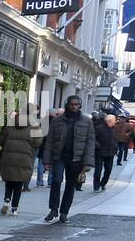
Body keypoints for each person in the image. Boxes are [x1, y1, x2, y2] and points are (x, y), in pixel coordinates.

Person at [41, 96, 95, 224]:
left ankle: (64, 212)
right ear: (67, 105)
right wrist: (47, 161)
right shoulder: (57, 120)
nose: (74, 106)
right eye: (72, 104)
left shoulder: (87, 121)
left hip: (76, 158)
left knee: (70, 185)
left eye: (76, 104)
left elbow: (90, 142)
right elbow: (50, 141)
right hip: (59, 156)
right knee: (56, 181)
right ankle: (53, 209)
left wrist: (88, 162)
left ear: (79, 106)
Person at [0, 112, 41, 216]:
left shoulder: (10, 125)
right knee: (19, 184)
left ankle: (7, 200)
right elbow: (38, 142)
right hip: (25, 158)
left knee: (9, 181)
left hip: (9, 157)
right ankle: (14, 208)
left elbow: (1, 140)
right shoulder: (34, 126)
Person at [92, 112, 117, 192]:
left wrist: (115, 147)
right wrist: (97, 145)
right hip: (100, 152)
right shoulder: (99, 128)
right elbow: (93, 138)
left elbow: (115, 139)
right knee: (98, 170)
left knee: (108, 170)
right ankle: (96, 186)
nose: (115, 121)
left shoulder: (113, 129)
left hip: (110, 152)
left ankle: (103, 183)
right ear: (110, 121)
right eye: (114, 120)